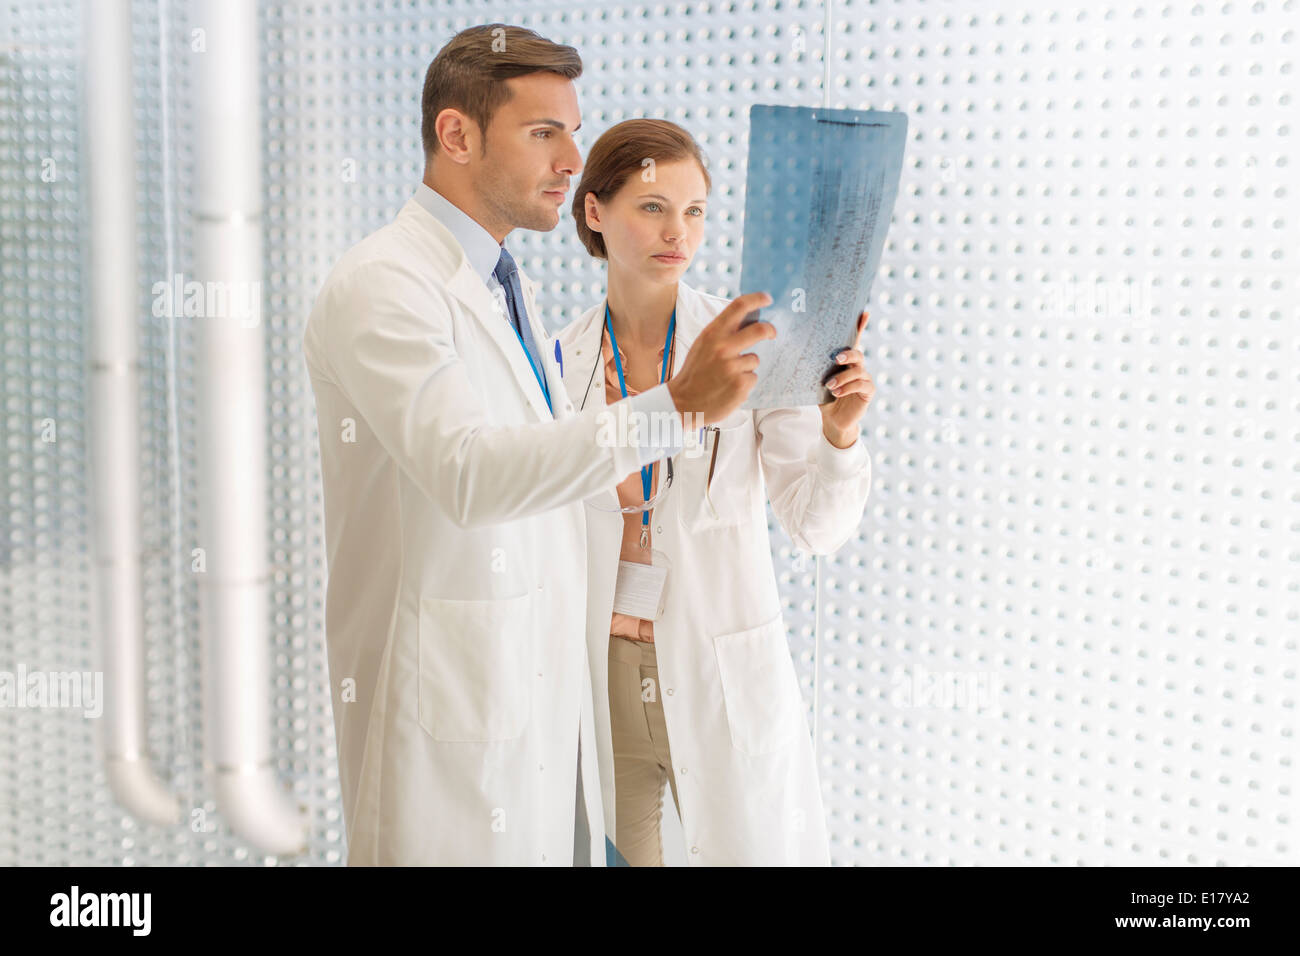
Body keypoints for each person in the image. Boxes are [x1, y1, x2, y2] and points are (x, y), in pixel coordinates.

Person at [301, 26, 774, 865]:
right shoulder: (383, 285)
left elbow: (547, 480)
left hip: (538, 712)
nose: (570, 157)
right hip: (446, 729)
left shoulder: (503, 287)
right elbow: (469, 472)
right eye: (542, 131)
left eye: (573, 130)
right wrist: (675, 407)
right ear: (457, 135)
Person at [554, 119, 875, 865]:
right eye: (653, 206)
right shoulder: (553, 359)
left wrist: (840, 435)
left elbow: (817, 528)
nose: (680, 232)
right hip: (601, 674)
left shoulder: (755, 346)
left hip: (719, 668)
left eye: (695, 210)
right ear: (595, 211)